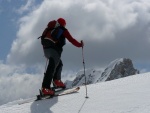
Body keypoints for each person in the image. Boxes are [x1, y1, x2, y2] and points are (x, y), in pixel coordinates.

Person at [41, 18, 84, 96]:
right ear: (63, 24)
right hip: (54, 51)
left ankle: (56, 81)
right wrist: (80, 45)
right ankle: (46, 88)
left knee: (59, 64)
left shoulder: (50, 29)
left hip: (46, 51)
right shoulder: (62, 30)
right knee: (51, 68)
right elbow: (72, 40)